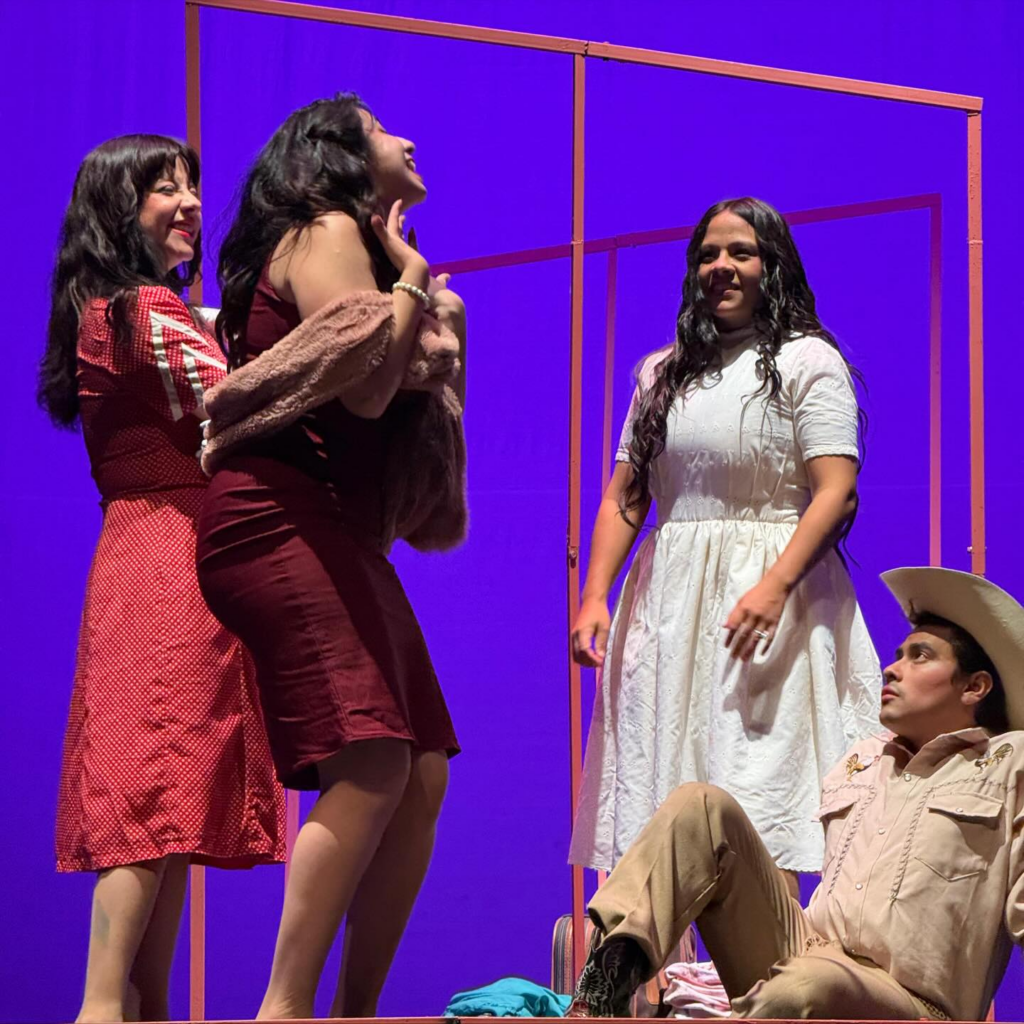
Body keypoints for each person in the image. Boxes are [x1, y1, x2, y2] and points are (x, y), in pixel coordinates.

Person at [194, 93, 467, 1020]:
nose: (407, 137)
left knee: (420, 770)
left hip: (336, 528)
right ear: (336, 153)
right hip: (276, 516)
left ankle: (355, 1011)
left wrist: (422, 302)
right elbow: (363, 393)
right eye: (383, 130)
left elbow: (389, 406)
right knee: (374, 762)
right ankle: (285, 1011)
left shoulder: (359, 244)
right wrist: (411, 285)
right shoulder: (327, 229)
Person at [38, 135, 286, 1023]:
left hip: (143, 551)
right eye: (163, 188)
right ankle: (101, 1008)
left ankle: (136, 1009)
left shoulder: (112, 312)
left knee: (165, 805)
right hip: (170, 562)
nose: (189, 203)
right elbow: (248, 392)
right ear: (118, 208)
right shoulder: (141, 308)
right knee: (150, 796)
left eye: (191, 186)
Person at [569, 197, 881, 894]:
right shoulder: (662, 373)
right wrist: (594, 597)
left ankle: (771, 955)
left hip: (774, 601)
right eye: (708, 254)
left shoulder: (807, 360)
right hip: (672, 603)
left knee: (762, 790)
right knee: (662, 783)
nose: (721, 266)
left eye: (741, 251)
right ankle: (648, 956)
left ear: (773, 264)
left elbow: (836, 491)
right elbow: (625, 496)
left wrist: (774, 587)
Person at [566, 565, 1024, 1020]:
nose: (892, 669)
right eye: (899, 654)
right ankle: (602, 991)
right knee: (700, 805)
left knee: (809, 983)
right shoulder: (863, 758)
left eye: (919, 657)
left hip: (913, 1003)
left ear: (975, 686)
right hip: (808, 958)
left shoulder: (1010, 763)